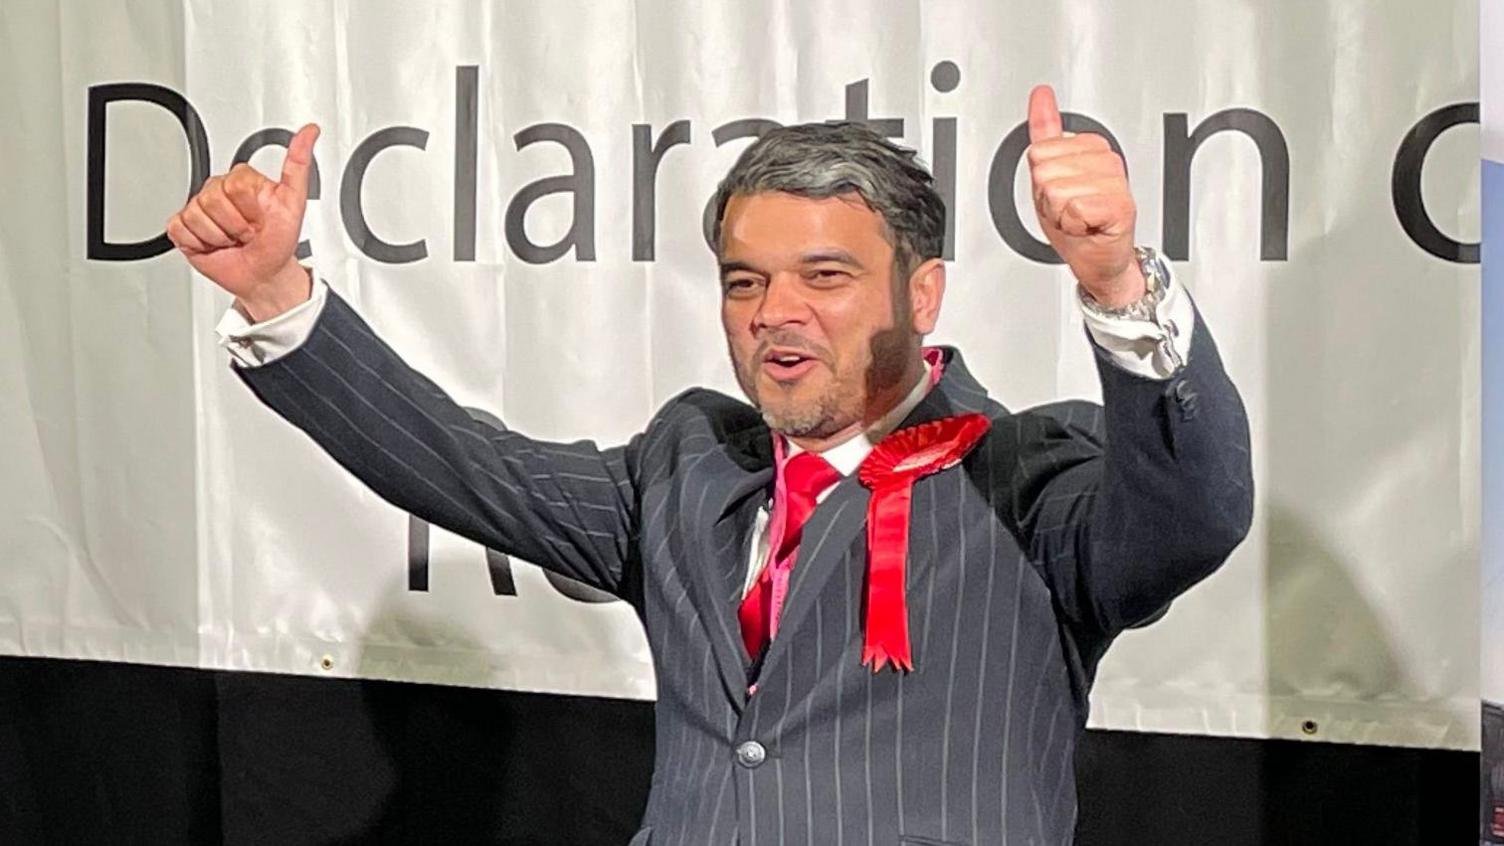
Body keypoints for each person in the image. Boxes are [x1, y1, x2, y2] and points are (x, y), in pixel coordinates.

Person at [168, 85, 1252, 845]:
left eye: (823, 275)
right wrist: (275, 294)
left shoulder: (1026, 479)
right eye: (743, 282)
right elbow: (466, 467)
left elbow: (1193, 514)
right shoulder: (688, 468)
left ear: (920, 297)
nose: (774, 315)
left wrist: (1116, 283)